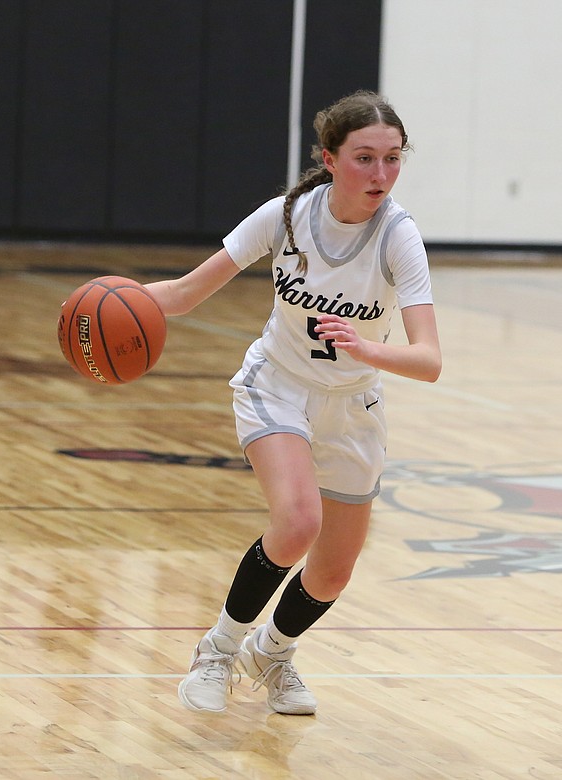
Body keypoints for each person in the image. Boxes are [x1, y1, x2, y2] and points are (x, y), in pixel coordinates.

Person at [144, 90, 442, 715]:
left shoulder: (398, 237)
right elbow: (184, 293)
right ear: (330, 158)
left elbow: (429, 360)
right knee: (298, 521)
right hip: (276, 385)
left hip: (354, 403)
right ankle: (218, 650)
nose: (381, 175)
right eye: (365, 158)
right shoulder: (286, 218)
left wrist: (367, 349)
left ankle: (272, 654)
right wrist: (106, 299)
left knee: (333, 572)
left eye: (393, 159)